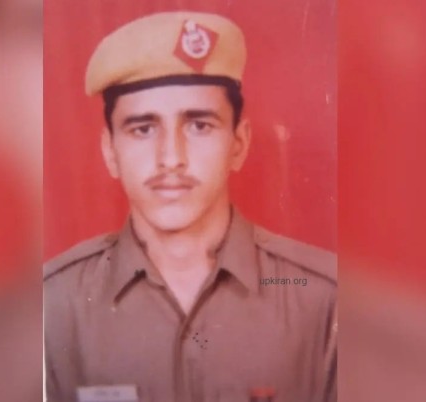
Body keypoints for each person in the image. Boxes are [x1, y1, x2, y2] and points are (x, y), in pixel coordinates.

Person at [44, 11, 337, 402]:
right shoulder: (53, 305)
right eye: (143, 129)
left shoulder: (322, 299)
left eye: (199, 125)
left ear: (239, 143)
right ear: (110, 151)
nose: (171, 158)